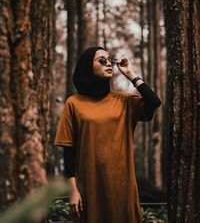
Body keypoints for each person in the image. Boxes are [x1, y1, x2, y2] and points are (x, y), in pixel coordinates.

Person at [54, 46, 161, 223]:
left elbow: (154, 102)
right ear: (87, 67)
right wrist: (73, 190)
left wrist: (131, 74)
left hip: (123, 189)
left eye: (109, 60)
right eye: (101, 60)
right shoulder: (73, 103)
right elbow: (68, 149)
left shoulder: (124, 101)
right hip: (90, 189)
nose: (108, 63)